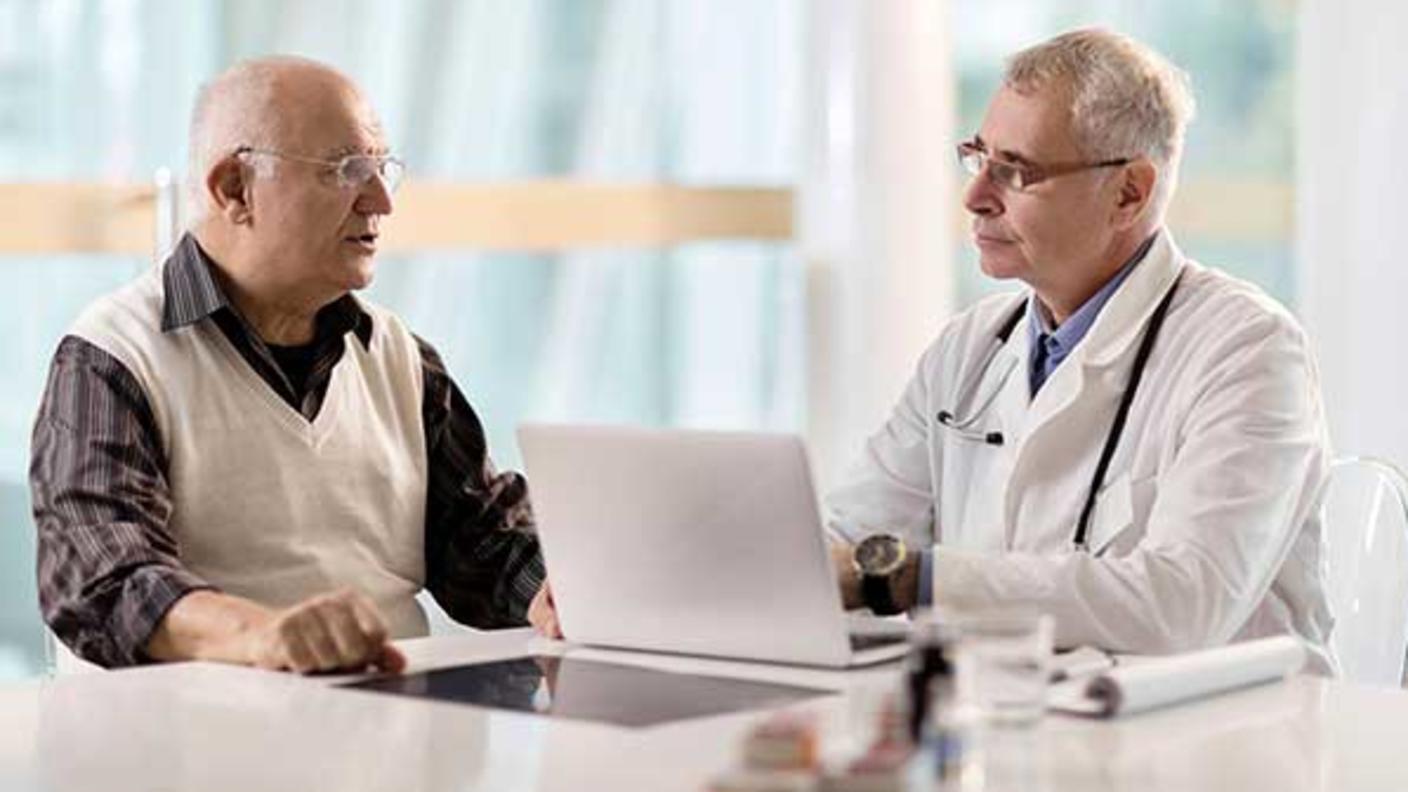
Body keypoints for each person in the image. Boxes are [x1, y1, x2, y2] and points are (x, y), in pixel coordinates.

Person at [826, 28, 1335, 673]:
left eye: (1015, 170)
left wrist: (912, 581)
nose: (976, 195)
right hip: (1026, 726)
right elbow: (848, 539)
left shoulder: (1250, 352)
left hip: (1225, 746)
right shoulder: (972, 348)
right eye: (978, 156)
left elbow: (1180, 605)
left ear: (1129, 193)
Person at [31, 56, 560, 674]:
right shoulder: (112, 357)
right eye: (347, 169)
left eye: (382, 167)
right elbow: (104, 579)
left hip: (394, 742)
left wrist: (557, 593)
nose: (381, 201)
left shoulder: (402, 360)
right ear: (234, 189)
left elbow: (484, 548)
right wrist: (265, 636)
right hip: (194, 753)